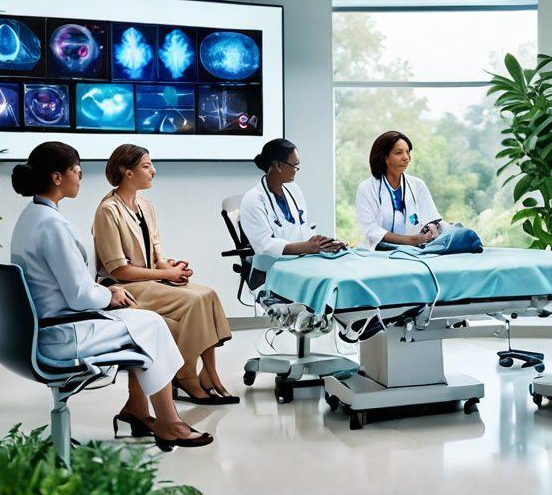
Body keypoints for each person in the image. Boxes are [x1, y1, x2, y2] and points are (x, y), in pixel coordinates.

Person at [9, 141, 211, 449]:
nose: (80, 177)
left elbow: (71, 286)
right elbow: (79, 295)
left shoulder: (31, 217)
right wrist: (110, 294)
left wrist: (106, 290)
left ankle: (141, 411)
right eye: (76, 171)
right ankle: (169, 423)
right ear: (57, 177)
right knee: (154, 325)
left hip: (45, 327)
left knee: (149, 324)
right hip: (62, 333)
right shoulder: (53, 225)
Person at [93, 144, 235, 406]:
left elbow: (156, 251)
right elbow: (118, 269)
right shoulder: (108, 211)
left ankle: (209, 372)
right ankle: (185, 375)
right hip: (125, 287)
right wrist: (163, 272)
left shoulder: (145, 205)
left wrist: (170, 268)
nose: (153, 171)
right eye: (146, 166)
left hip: (150, 280)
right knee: (193, 301)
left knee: (208, 294)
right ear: (127, 172)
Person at [239, 138, 346, 274]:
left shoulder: (294, 190)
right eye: (293, 165)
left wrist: (324, 243)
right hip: (271, 270)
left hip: (300, 262)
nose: (296, 170)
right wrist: (308, 247)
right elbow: (264, 246)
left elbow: (303, 227)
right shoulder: (253, 199)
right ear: (277, 165)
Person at [355, 130, 442, 251]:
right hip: (378, 253)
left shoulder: (418, 185)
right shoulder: (366, 188)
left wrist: (431, 228)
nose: (406, 158)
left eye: (408, 152)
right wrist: (412, 240)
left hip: (416, 251)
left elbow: (431, 218)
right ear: (385, 157)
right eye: (399, 153)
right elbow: (371, 230)